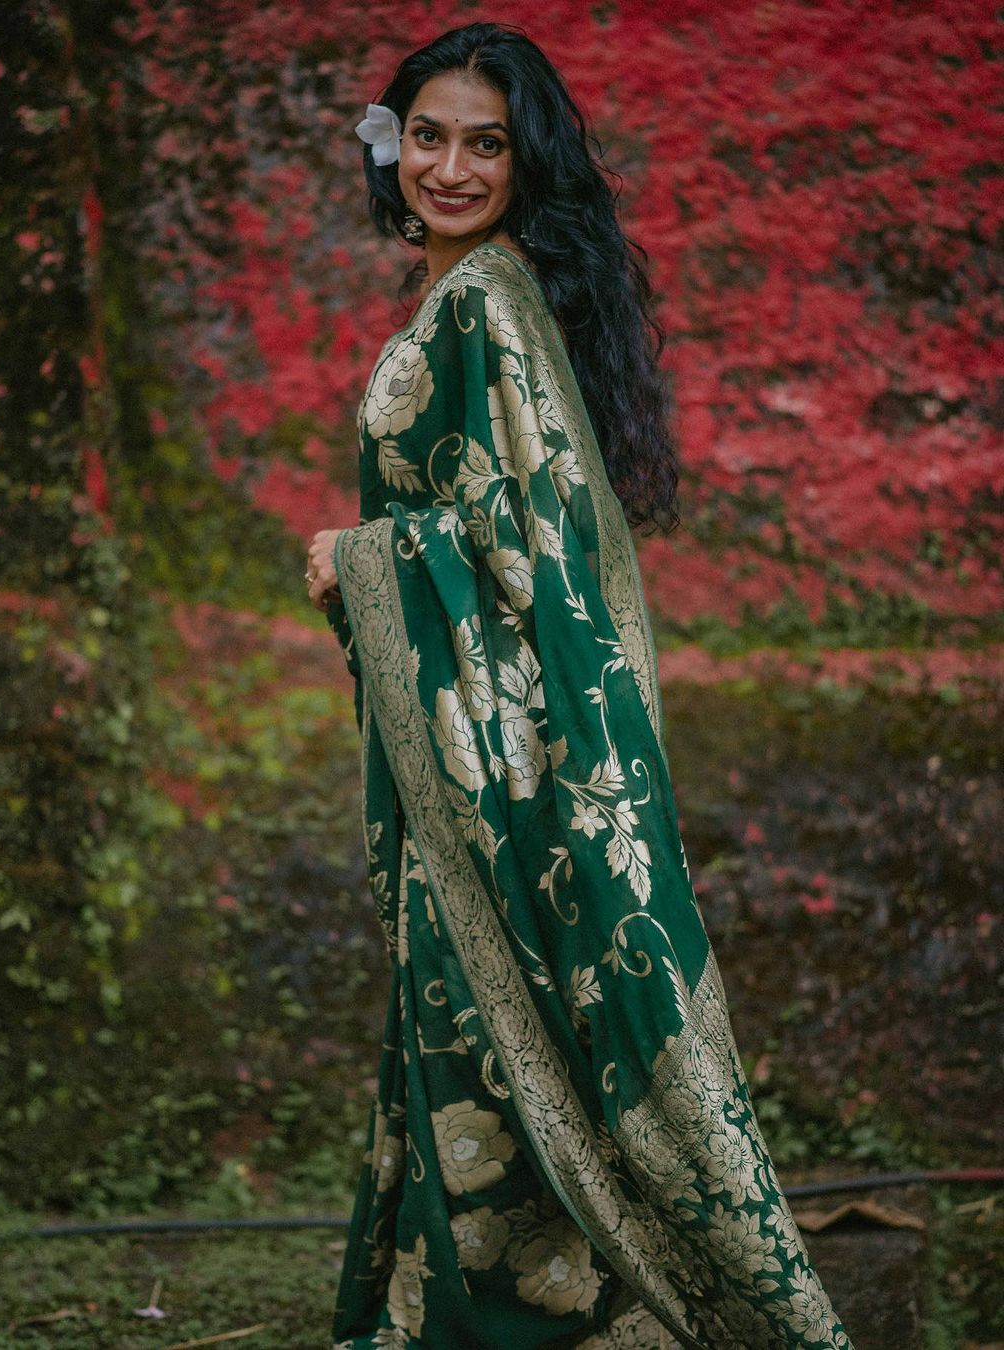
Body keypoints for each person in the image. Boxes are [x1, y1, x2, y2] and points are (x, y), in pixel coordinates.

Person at [304, 22, 851, 1350]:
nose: (447, 167)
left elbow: (535, 540)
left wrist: (360, 560)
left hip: (504, 757)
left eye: (483, 144)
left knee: (490, 1020)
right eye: (425, 136)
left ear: (525, 161)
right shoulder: (470, 293)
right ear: (390, 143)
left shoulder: (486, 304)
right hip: (469, 741)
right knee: (479, 1021)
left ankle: (566, 1316)